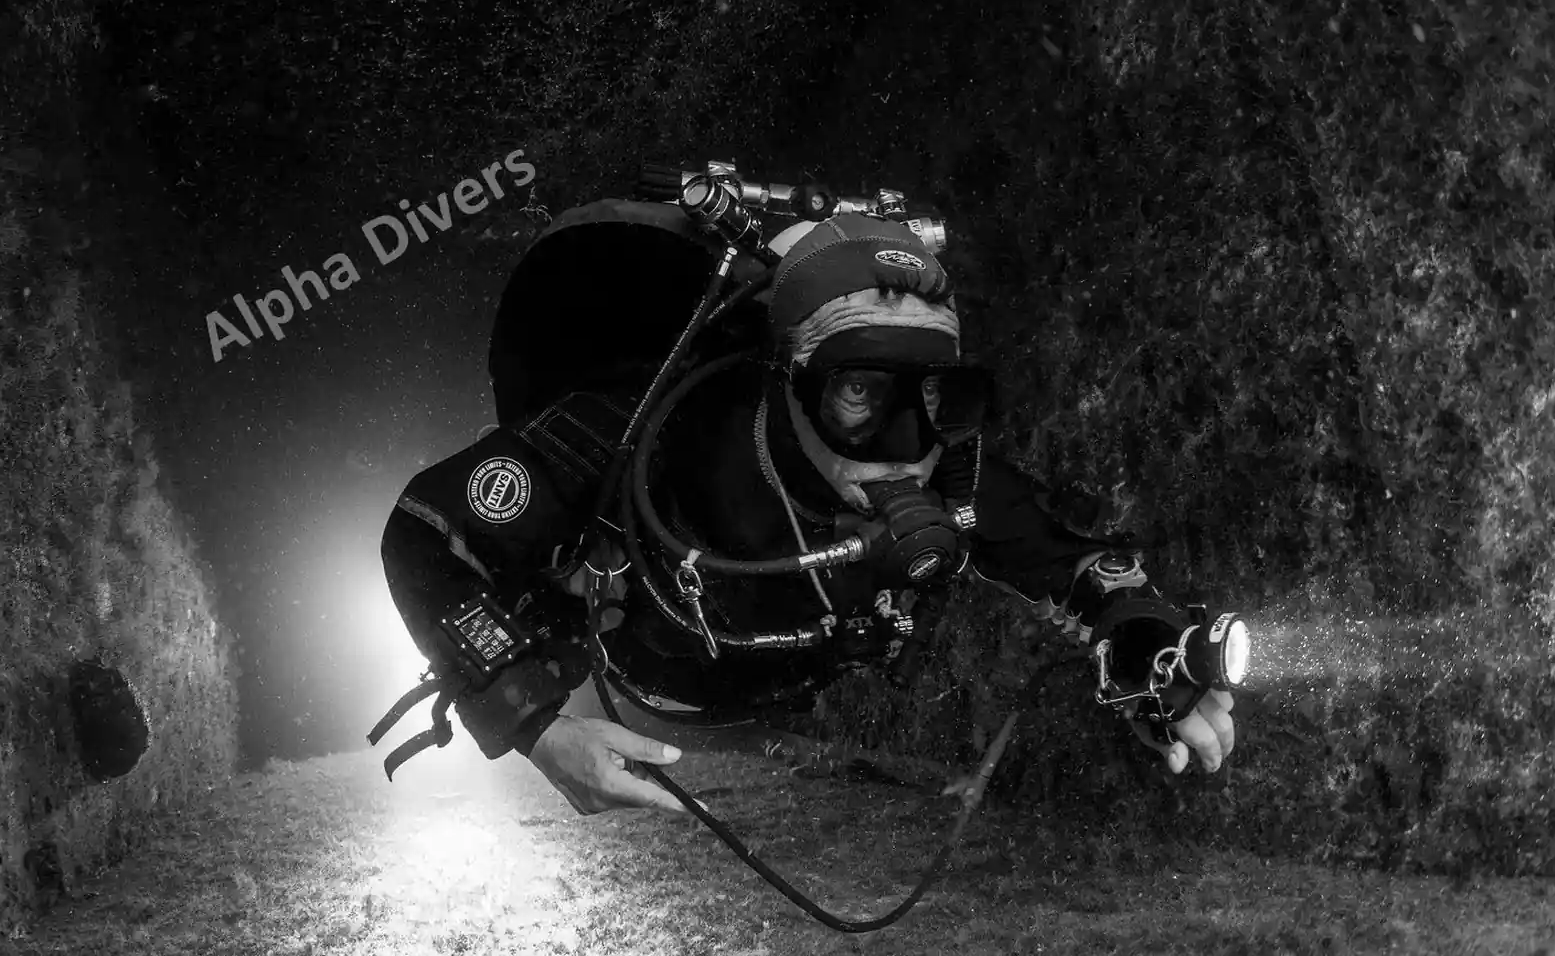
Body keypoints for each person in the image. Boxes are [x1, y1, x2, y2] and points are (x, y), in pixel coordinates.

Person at [375, 205, 1239, 815]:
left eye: (932, 394)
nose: (907, 444)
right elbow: (423, 533)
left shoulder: (948, 464)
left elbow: (1073, 563)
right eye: (859, 390)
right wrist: (533, 724)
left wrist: (1147, 642)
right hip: (651, 666)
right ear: (784, 374)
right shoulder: (639, 427)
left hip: (782, 685)